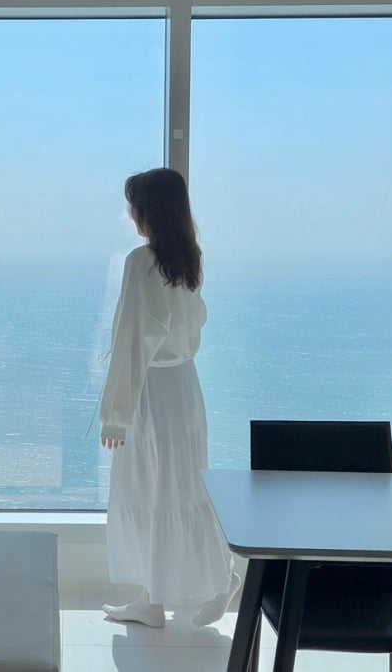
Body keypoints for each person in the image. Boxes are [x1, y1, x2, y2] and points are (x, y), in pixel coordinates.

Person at [100, 167, 239, 628]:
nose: (130, 213)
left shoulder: (141, 262)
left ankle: (160, 598)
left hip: (153, 392)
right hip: (184, 387)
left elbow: (130, 339)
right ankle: (191, 587)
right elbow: (189, 324)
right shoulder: (189, 259)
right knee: (182, 490)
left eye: (133, 205)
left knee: (148, 489)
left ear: (148, 211)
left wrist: (115, 415)